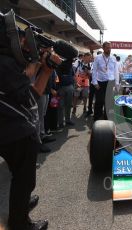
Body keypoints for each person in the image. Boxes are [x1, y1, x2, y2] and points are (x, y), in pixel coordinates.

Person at [0, 20, 62, 229]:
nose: (21, 40)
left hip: (7, 127)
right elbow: (29, 98)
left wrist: (35, 63)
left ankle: (22, 201)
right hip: (14, 130)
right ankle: (19, 223)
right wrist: (45, 69)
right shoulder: (4, 64)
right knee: (24, 178)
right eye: (17, 36)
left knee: (18, 174)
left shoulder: (6, 60)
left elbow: (20, 82)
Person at [92, 41, 118, 121]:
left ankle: (107, 118)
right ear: (103, 48)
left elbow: (116, 71)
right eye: (107, 48)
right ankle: (97, 118)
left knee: (109, 102)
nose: (109, 49)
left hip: (110, 83)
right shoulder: (98, 57)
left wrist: (116, 84)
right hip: (100, 82)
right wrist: (95, 82)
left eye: (110, 48)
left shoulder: (113, 58)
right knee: (99, 101)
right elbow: (94, 70)